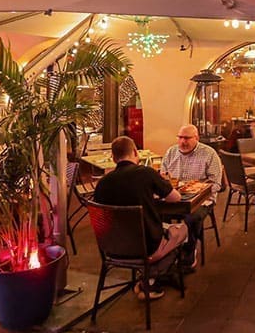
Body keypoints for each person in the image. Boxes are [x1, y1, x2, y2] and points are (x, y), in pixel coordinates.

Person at [93, 136, 195, 300]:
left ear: (113, 158)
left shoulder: (103, 183)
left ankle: (150, 280)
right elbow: (175, 198)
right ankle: (150, 279)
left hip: (111, 248)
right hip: (146, 247)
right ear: (135, 152)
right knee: (182, 231)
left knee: (158, 232)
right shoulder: (146, 173)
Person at [160, 124, 223, 194]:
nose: (183, 141)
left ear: (196, 138)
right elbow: (162, 178)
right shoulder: (171, 152)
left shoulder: (209, 154)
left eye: (186, 138)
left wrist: (196, 190)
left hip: (201, 198)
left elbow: (216, 184)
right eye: (180, 137)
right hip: (174, 195)